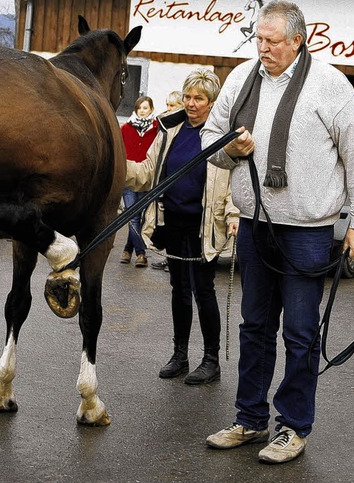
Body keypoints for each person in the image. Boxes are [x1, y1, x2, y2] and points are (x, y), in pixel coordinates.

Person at [201, 1, 354, 464]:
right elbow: (209, 138)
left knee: (299, 332)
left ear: (297, 41)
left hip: (308, 230)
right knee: (255, 325)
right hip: (255, 223)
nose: (262, 48)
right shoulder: (240, 79)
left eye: (272, 41)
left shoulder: (330, 83)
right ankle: (250, 418)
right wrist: (231, 149)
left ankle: (294, 427)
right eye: (258, 39)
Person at [126, 68, 239, 385]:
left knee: (203, 290)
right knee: (179, 289)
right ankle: (180, 355)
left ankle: (211, 360)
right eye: (187, 96)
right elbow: (148, 171)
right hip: (172, 219)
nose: (191, 103)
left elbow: (232, 180)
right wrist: (118, 169)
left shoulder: (220, 135)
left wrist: (233, 214)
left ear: (211, 102)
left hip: (204, 225)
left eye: (198, 98)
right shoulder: (170, 130)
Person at [120, 96, 159, 267]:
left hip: (147, 178)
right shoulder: (125, 128)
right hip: (129, 177)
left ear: (151, 109)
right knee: (132, 216)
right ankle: (141, 253)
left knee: (141, 216)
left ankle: (127, 250)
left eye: (145, 107)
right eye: (139, 108)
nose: (142, 111)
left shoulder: (157, 129)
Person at [151, 91, 185, 272]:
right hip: (166, 192)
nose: (168, 109)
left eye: (172, 106)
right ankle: (170, 259)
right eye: (167, 105)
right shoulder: (165, 127)